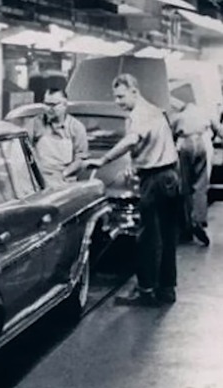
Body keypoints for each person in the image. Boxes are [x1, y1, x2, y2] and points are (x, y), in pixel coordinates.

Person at [84, 74, 180, 306]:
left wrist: (103, 160)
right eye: (115, 97)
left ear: (134, 91)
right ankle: (167, 289)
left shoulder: (139, 115)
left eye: (121, 96)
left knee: (147, 237)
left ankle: (145, 290)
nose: (118, 101)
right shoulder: (156, 111)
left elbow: (131, 140)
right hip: (170, 176)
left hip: (154, 180)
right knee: (167, 236)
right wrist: (131, 164)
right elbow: (149, 143)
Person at [168, 97, 223, 246]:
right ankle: (199, 219)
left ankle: (187, 225)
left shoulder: (177, 116)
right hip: (201, 143)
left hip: (185, 144)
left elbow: (170, 136)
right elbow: (219, 130)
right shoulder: (204, 112)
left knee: (185, 186)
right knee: (200, 185)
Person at [26, 88, 89, 187]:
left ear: (64, 105)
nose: (49, 109)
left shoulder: (76, 127)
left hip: (65, 182)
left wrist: (65, 174)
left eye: (53, 105)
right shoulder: (34, 124)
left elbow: (81, 158)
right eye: (46, 104)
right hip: (38, 181)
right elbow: (24, 151)